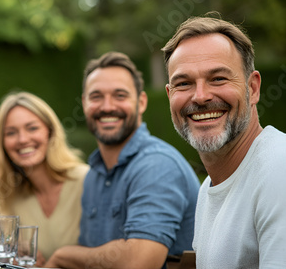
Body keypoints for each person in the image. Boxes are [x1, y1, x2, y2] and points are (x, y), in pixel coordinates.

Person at [162, 14, 286, 268]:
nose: (201, 96)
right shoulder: (207, 190)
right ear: (170, 96)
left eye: (218, 78)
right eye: (184, 83)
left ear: (253, 89)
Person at [45, 52, 200, 269]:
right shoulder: (93, 176)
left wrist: (63, 256)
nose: (107, 106)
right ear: (84, 103)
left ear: (142, 102)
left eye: (120, 95)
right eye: (96, 96)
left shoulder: (157, 166)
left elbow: (139, 262)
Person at [0, 91, 89, 264]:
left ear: (50, 132)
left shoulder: (86, 181)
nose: (22, 139)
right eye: (11, 132)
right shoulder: (12, 198)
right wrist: (16, 260)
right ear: (3, 143)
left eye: (32, 128)